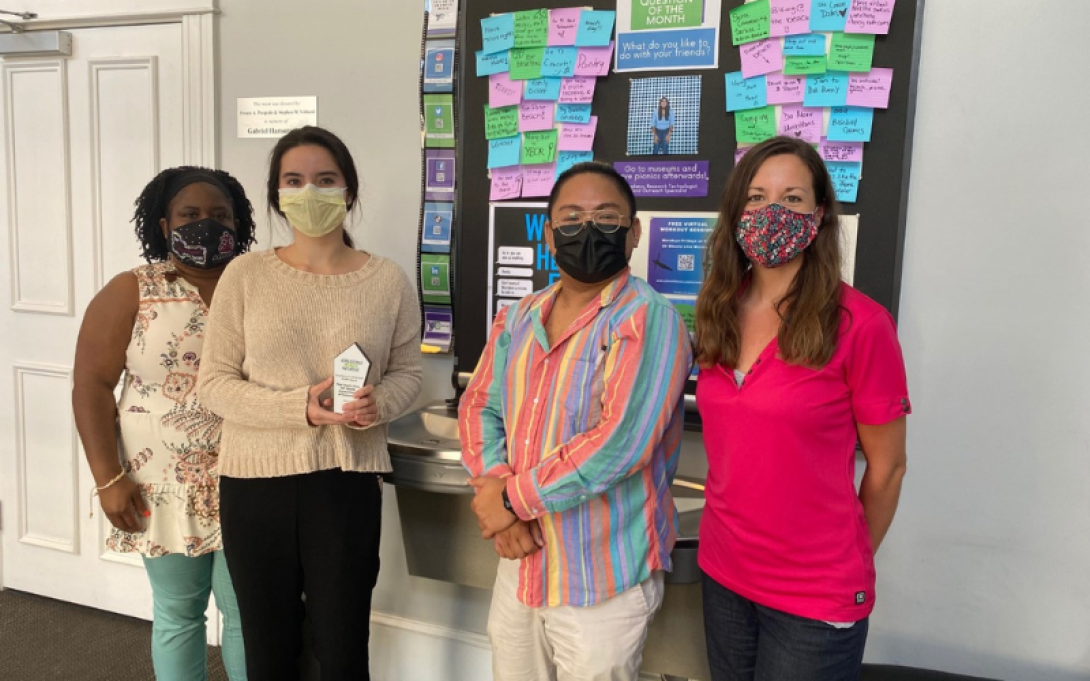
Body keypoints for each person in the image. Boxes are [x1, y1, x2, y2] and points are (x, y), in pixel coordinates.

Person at [197, 126, 422, 681]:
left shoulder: (387, 279)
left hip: (344, 482)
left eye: (326, 179)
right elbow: (215, 384)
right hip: (255, 483)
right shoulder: (245, 276)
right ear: (276, 194)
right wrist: (300, 407)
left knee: (343, 646)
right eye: (294, 181)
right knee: (269, 648)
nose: (310, 192)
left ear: (348, 189)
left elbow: (409, 374)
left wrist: (379, 403)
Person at [460, 162, 692, 681]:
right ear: (549, 233)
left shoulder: (648, 319)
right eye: (571, 217)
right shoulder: (518, 317)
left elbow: (619, 444)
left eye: (607, 217)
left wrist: (508, 501)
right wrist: (497, 488)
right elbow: (480, 405)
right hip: (519, 561)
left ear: (633, 233)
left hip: (600, 579)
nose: (588, 230)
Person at [694, 136, 910, 680]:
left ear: (818, 216)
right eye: (757, 198)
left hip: (813, 596)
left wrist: (839, 562)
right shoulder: (718, 311)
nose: (772, 212)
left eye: (792, 200)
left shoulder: (861, 325)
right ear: (736, 212)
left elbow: (887, 468)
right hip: (723, 574)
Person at [73, 166, 256, 680]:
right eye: (190, 215)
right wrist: (108, 479)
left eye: (220, 215)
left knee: (248, 614)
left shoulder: (260, 284)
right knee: (179, 612)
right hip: (164, 485)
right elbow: (90, 385)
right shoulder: (132, 290)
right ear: (163, 224)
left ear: (239, 222)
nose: (207, 224)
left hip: (251, 476)